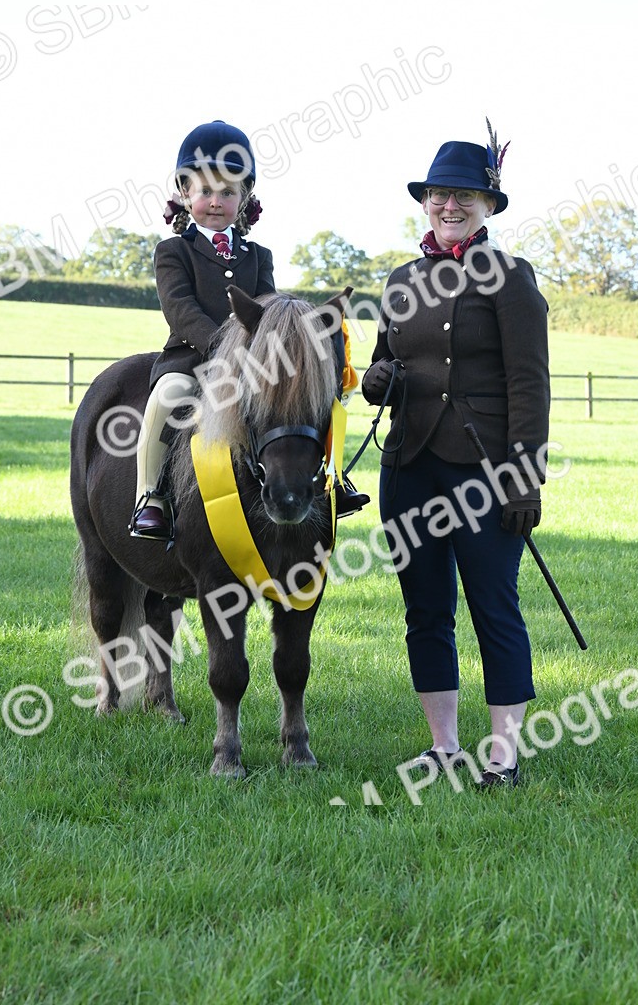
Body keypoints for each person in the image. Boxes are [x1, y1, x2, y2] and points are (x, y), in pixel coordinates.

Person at [361, 123, 550, 788]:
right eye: (439, 194)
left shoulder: (511, 279)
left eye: (464, 196)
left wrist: (526, 475)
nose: (449, 205)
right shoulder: (401, 278)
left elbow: (529, 381)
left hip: (486, 473)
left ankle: (503, 753)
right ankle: (443, 747)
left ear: (489, 205)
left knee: (494, 605)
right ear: (425, 201)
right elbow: (383, 362)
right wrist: (374, 381)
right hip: (409, 465)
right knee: (425, 608)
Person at [131, 119, 368, 540]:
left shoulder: (259, 255)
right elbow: (180, 310)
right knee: (165, 398)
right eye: (205, 191)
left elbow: (269, 310)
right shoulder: (172, 252)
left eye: (228, 192)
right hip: (193, 357)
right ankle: (150, 496)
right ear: (186, 194)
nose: (216, 201)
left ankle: (332, 479)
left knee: (312, 398)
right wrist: (225, 351)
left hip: (254, 361)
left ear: (244, 199)